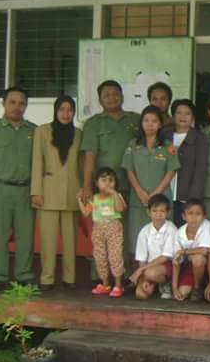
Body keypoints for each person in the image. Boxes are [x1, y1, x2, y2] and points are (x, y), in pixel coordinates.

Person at [0, 87, 37, 290]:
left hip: (25, 191)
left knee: (25, 236)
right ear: (3, 103)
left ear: (26, 106)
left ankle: (24, 275)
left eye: (22, 103)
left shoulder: (34, 131)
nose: (17, 107)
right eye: (12, 102)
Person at [80, 80, 139, 283]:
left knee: (126, 234)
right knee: (103, 233)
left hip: (130, 186)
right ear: (100, 100)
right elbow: (89, 156)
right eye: (107, 95)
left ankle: (124, 276)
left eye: (115, 94)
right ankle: (101, 276)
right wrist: (87, 185)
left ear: (122, 96)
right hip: (103, 192)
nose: (112, 98)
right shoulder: (93, 124)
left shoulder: (135, 120)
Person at [31, 95, 82, 291]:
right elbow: (37, 161)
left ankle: (70, 278)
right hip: (47, 192)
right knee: (48, 240)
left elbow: (80, 163)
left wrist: (84, 191)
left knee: (70, 240)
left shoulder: (78, 134)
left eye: (70, 109)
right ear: (55, 110)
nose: (66, 113)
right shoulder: (42, 131)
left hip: (72, 193)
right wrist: (36, 191)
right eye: (62, 109)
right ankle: (47, 278)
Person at [122, 106, 180, 256]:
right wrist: (140, 191)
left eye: (154, 121)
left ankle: (160, 277)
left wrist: (155, 193)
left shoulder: (167, 146)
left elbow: (171, 170)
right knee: (137, 241)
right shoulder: (133, 144)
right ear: (141, 123)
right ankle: (139, 277)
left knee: (164, 240)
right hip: (139, 199)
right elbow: (129, 169)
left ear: (160, 124)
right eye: (146, 120)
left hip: (161, 198)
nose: (150, 124)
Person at [77, 167, 127, 297]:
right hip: (98, 229)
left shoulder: (117, 196)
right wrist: (79, 201)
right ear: (96, 183)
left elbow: (120, 208)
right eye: (103, 180)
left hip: (113, 228)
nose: (107, 183)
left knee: (115, 256)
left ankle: (118, 286)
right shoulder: (95, 198)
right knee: (100, 257)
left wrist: (115, 193)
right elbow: (86, 212)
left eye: (111, 180)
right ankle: (105, 285)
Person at [166, 99, 208, 227]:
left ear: (193, 117)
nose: (183, 116)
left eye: (187, 113)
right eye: (179, 113)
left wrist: (193, 200)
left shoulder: (200, 138)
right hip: (166, 191)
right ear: (173, 116)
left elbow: (200, 170)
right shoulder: (164, 135)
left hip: (186, 194)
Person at [130, 194, 178, 300]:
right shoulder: (145, 231)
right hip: (149, 268)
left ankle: (166, 284)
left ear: (168, 212)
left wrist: (141, 271)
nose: (158, 215)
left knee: (150, 273)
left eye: (162, 211)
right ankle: (155, 284)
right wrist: (143, 278)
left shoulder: (171, 229)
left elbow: (165, 257)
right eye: (154, 211)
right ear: (149, 212)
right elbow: (142, 259)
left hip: (169, 266)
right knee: (140, 294)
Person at [172, 199, 210, 302]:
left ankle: (197, 288)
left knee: (197, 258)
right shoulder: (179, 233)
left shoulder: (206, 226)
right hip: (190, 268)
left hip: (209, 267)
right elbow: (176, 262)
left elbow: (204, 251)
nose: (194, 218)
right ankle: (194, 285)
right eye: (190, 214)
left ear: (204, 216)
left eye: (198, 214)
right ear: (184, 216)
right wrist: (174, 288)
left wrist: (184, 252)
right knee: (182, 293)